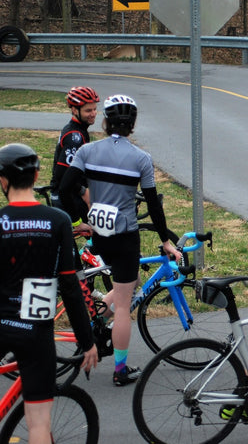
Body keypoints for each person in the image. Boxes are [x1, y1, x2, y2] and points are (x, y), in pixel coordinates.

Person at [58, 94, 181, 386]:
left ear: (105, 120)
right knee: (125, 304)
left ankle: (100, 314)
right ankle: (120, 370)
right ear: (133, 124)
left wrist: (82, 218)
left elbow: (65, 188)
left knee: (131, 280)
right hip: (125, 235)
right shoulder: (142, 159)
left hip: (99, 232)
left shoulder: (87, 150)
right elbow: (153, 205)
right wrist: (165, 240)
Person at [0, 143, 98, 443]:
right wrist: (87, 340)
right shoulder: (59, 221)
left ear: (3, 180)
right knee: (39, 425)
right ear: (37, 174)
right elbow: (70, 285)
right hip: (35, 329)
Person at [50, 86, 100, 214]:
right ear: (74, 110)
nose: (93, 114)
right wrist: (83, 191)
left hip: (71, 191)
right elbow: (61, 174)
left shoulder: (78, 129)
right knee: (101, 228)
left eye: (95, 109)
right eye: (88, 110)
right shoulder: (75, 137)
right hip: (67, 196)